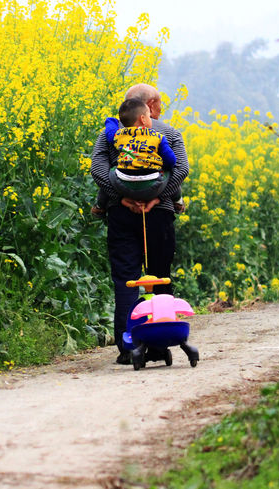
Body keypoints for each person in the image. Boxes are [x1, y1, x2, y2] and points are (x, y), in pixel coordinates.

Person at [91, 84, 189, 365]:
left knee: (125, 280)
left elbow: (98, 170)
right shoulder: (169, 133)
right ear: (152, 105)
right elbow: (180, 169)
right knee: (160, 276)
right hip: (159, 214)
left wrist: (121, 199)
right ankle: (160, 346)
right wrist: (157, 199)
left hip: (121, 215)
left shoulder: (109, 134)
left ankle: (127, 347)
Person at [91, 97, 179, 215]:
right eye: (149, 116)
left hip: (123, 183)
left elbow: (109, 133)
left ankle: (99, 206)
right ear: (143, 119)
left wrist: (111, 121)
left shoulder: (120, 135)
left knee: (109, 171)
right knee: (171, 171)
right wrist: (164, 167)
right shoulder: (157, 136)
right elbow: (171, 160)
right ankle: (178, 201)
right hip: (152, 184)